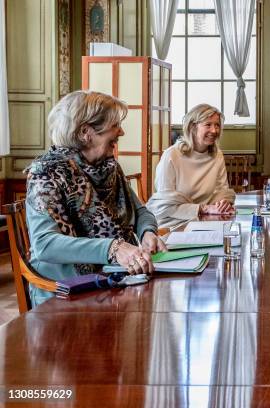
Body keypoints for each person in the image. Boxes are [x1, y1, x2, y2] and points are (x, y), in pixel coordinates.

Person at [26, 90, 166, 306]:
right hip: (65, 291)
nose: (121, 131)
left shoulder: (110, 167)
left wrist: (148, 232)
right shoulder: (46, 173)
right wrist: (113, 248)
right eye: (114, 125)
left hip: (115, 280)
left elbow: (140, 211)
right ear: (86, 132)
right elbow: (44, 244)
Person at [147, 104, 236, 228]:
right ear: (193, 127)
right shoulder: (172, 155)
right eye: (208, 124)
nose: (214, 130)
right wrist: (203, 208)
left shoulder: (217, 155)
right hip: (173, 224)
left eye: (217, 125)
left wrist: (223, 203)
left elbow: (222, 190)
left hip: (205, 221)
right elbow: (164, 205)